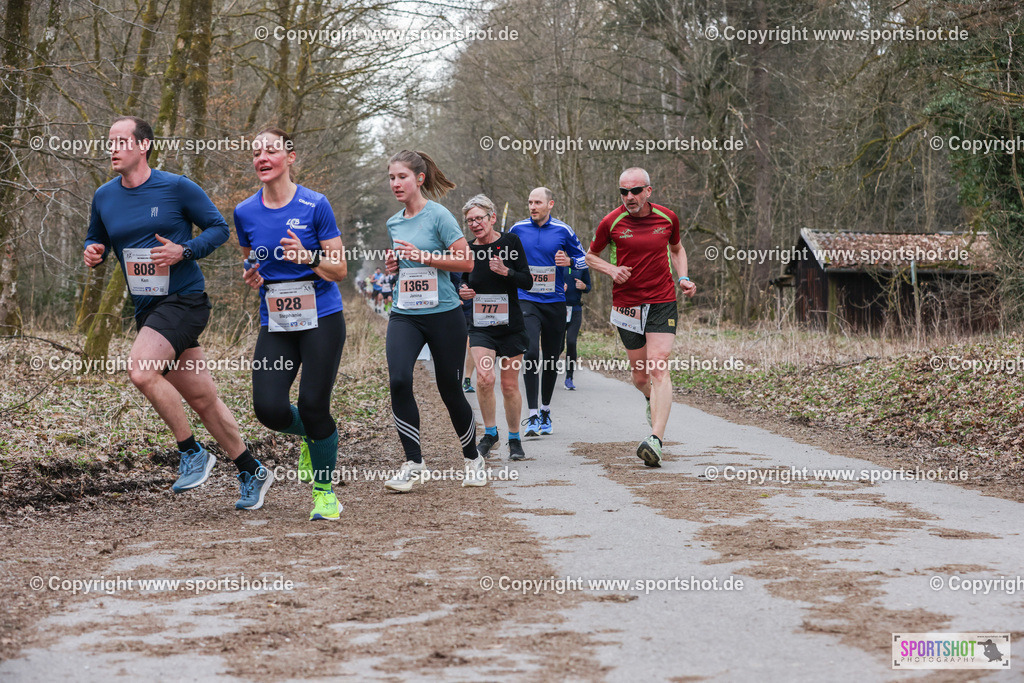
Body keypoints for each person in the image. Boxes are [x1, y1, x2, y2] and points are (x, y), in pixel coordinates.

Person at [83, 116, 266, 508]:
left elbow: (218, 229)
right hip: (148, 309)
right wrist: (93, 253)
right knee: (204, 399)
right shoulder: (104, 196)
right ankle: (252, 469)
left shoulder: (176, 187)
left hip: (185, 300)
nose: (112, 149)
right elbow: (96, 239)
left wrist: (184, 251)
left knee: (141, 369)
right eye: (109, 142)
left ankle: (191, 452)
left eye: (120, 141)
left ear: (143, 145)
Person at [235, 127, 348, 520]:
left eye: (270, 150)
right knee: (268, 408)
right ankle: (313, 436)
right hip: (277, 320)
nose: (261, 158)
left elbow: (340, 269)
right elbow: (251, 261)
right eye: (255, 153)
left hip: (322, 317)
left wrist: (307, 258)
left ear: (291, 157)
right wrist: (252, 275)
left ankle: (324, 492)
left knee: (314, 404)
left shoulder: (316, 205)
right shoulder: (245, 211)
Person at [381, 150, 485, 491]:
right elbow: (406, 265)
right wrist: (395, 268)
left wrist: (424, 256)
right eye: (392, 177)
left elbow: (466, 262)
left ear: (419, 179)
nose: (395, 183)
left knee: (450, 389)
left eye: (402, 177)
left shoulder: (439, 215)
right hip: (405, 314)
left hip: (443, 314)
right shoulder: (394, 222)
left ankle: (473, 459)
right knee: (398, 380)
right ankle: (414, 463)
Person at [585, 167, 697, 467]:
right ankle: (651, 399)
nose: (629, 197)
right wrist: (611, 269)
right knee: (640, 377)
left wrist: (683, 277)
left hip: (662, 300)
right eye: (624, 192)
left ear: (649, 190)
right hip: (626, 305)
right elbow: (590, 256)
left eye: (635, 191)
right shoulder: (611, 222)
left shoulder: (667, 217)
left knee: (659, 365)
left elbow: (677, 248)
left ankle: (655, 439)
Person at [509, 187, 588, 437]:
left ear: (550, 204)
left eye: (538, 202)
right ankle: (532, 415)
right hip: (526, 299)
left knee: (552, 358)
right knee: (531, 352)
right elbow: (504, 255)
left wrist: (571, 263)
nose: (532, 207)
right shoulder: (517, 229)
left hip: (555, 302)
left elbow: (585, 259)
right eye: (530, 202)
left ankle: (545, 410)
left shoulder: (563, 230)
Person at [459, 194, 532, 461]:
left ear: (491, 217)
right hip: (481, 326)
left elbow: (528, 281)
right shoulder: (466, 249)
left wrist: (506, 272)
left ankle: (514, 437)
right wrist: (461, 291)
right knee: (484, 379)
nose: (475, 224)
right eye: (470, 221)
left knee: (509, 385)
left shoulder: (511, 243)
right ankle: (490, 434)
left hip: (511, 326)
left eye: (479, 218)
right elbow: (460, 281)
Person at [562, 264, 591, 390]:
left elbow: (589, 287)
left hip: (575, 310)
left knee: (571, 341)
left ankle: (569, 377)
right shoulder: (557, 263)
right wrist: (558, 288)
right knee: (557, 346)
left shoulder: (582, 266)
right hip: (559, 309)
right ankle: (549, 372)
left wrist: (584, 286)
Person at [453, 271, 476, 393]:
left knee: (470, 345)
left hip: (474, 310)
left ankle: (467, 380)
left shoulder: (475, 261)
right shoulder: (450, 262)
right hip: (455, 309)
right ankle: (453, 379)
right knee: (456, 347)